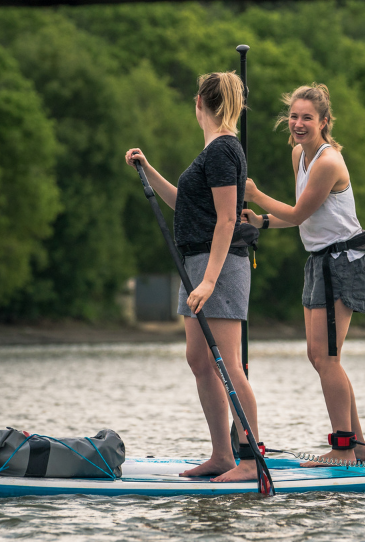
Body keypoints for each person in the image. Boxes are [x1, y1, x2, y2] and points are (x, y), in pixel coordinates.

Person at [124, 71, 263, 482]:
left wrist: (207, 281)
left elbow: (225, 220)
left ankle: (252, 460)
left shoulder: (222, 150)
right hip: (198, 264)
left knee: (229, 365)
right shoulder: (213, 151)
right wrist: (147, 170)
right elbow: (183, 203)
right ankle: (221, 455)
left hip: (217, 265)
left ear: (199, 104)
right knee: (200, 359)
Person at [241, 84, 365, 466]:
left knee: (327, 357)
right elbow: (303, 217)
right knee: (317, 356)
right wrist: (262, 221)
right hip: (318, 261)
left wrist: (254, 194)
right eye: (294, 116)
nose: (298, 124)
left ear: (324, 122)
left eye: (307, 118)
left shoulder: (329, 162)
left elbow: (299, 213)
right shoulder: (298, 153)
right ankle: (360, 448)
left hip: (344, 262)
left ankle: (343, 448)